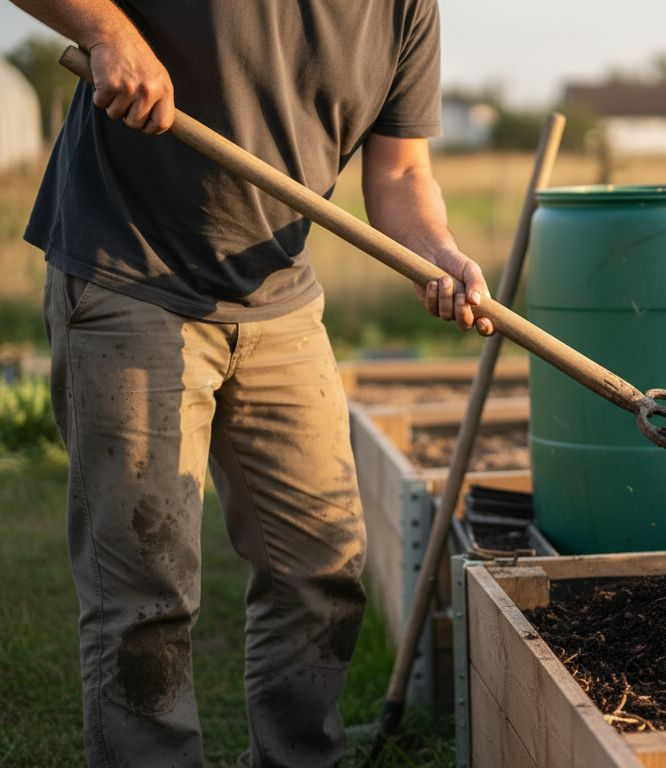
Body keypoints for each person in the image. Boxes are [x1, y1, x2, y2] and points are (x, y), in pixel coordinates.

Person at [11, 0, 492, 764]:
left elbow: (401, 171)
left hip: (280, 301)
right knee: (144, 599)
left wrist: (436, 250)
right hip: (131, 275)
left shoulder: (406, 10)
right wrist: (109, 30)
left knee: (322, 570)